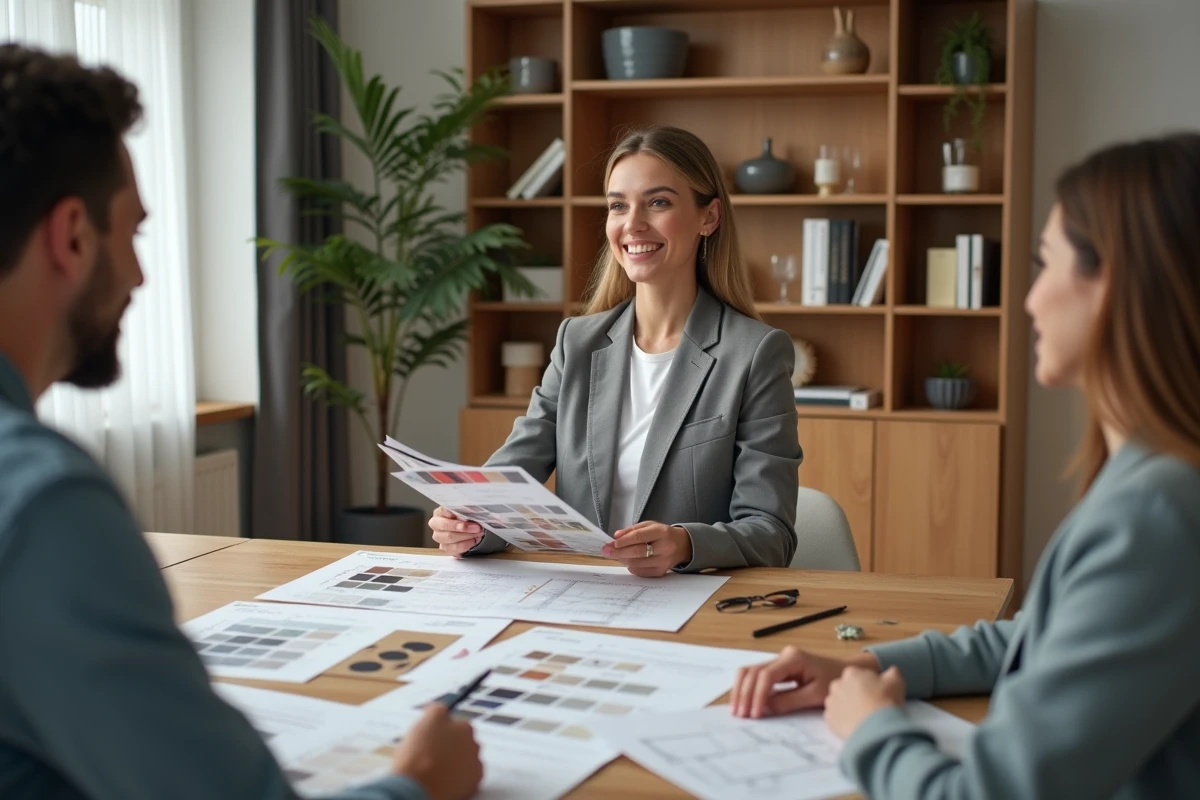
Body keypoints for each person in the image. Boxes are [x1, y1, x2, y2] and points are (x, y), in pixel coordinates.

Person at [0, 44, 481, 800]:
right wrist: (419, 784)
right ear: (70, 236)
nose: (139, 274)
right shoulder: (43, 504)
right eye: (133, 232)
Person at [729, 132, 1200, 798]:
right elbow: (1036, 642)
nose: (1030, 300)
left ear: (1120, 285)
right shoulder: (1154, 478)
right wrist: (859, 665)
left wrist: (871, 728)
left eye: (1046, 265)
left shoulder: (1156, 516)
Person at [432, 125, 803, 577]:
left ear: (709, 217)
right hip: (578, 596)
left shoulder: (756, 353)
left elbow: (771, 532)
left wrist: (685, 544)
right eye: (618, 206)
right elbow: (503, 488)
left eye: (659, 202)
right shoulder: (577, 342)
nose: (633, 224)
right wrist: (470, 525)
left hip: (690, 604)